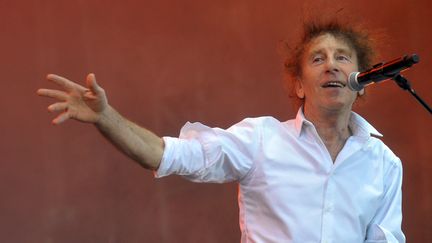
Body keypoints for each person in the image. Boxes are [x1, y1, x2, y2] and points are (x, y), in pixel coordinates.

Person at [37, 19, 405, 243]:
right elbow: (168, 155)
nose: (332, 67)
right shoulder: (260, 140)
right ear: (298, 86)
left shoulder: (384, 164)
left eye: (342, 57)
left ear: (364, 81)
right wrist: (107, 117)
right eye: (318, 58)